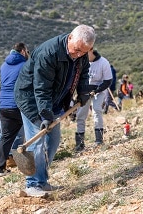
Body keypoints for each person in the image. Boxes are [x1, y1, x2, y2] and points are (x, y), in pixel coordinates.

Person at [14, 24, 96, 197]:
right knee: (38, 141)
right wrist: (45, 114)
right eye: (77, 50)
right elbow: (41, 87)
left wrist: (82, 92)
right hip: (32, 100)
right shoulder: (49, 53)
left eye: (83, 52)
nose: (79, 54)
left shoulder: (80, 52)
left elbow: (83, 72)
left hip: (54, 101)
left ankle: (41, 181)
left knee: (53, 140)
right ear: (70, 38)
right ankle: (33, 185)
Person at [0, 42, 29, 177]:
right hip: (18, 105)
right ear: (22, 51)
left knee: (5, 137)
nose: (28, 53)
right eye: (27, 51)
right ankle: (28, 164)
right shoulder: (25, 65)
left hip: (4, 106)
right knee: (30, 133)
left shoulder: (3, 66)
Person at [75, 49, 112, 151]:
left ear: (91, 50)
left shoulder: (103, 62)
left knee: (96, 110)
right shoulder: (81, 61)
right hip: (85, 90)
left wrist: (96, 91)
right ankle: (79, 144)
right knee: (81, 114)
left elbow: (108, 81)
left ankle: (99, 140)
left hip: (99, 90)